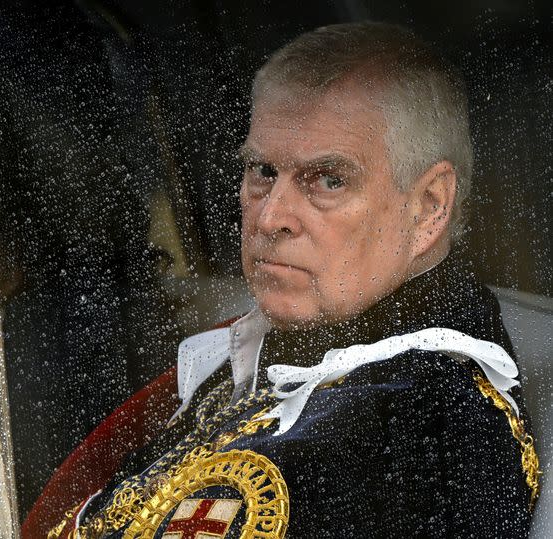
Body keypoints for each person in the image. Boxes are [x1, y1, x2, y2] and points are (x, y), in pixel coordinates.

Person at [42, 21, 540, 538]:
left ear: (429, 206)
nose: (268, 217)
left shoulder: (428, 433)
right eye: (261, 172)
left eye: (328, 180)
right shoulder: (287, 353)